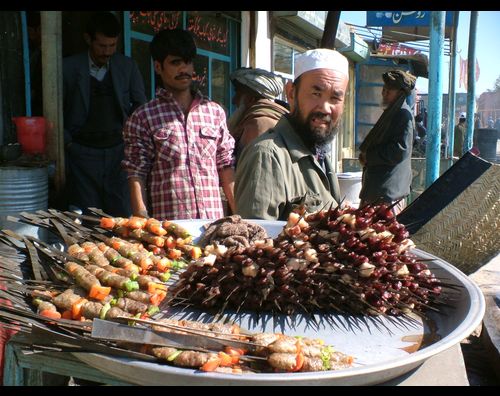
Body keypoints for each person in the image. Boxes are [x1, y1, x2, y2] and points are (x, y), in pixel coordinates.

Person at [122, 29, 236, 221]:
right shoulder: (143, 117)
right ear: (158, 67)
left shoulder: (214, 112)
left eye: (188, 62)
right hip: (170, 232)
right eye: (175, 62)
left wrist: (241, 215)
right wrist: (143, 223)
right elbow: (136, 172)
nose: (184, 69)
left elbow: (226, 166)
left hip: (213, 227)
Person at [234, 48, 349, 220]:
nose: (325, 108)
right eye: (316, 94)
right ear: (291, 94)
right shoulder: (266, 156)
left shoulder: (318, 153)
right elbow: (256, 240)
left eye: (335, 98)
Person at [63, 12, 146, 217]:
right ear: (88, 39)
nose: (107, 51)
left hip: (118, 151)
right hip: (81, 153)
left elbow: (140, 105)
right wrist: (68, 143)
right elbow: (56, 109)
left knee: (121, 213)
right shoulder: (68, 68)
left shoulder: (127, 67)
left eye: (112, 46)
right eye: (102, 46)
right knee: (88, 215)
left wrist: (130, 140)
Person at [358, 69, 416, 215]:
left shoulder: (403, 115)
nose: (383, 93)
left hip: (387, 194)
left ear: (400, 94)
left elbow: (399, 151)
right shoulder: (392, 112)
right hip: (379, 191)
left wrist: (369, 156)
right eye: (384, 89)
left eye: (388, 91)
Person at [227, 67, 289, 162]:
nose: (233, 100)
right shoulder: (279, 120)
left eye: (237, 94)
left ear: (251, 99)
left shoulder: (257, 125)